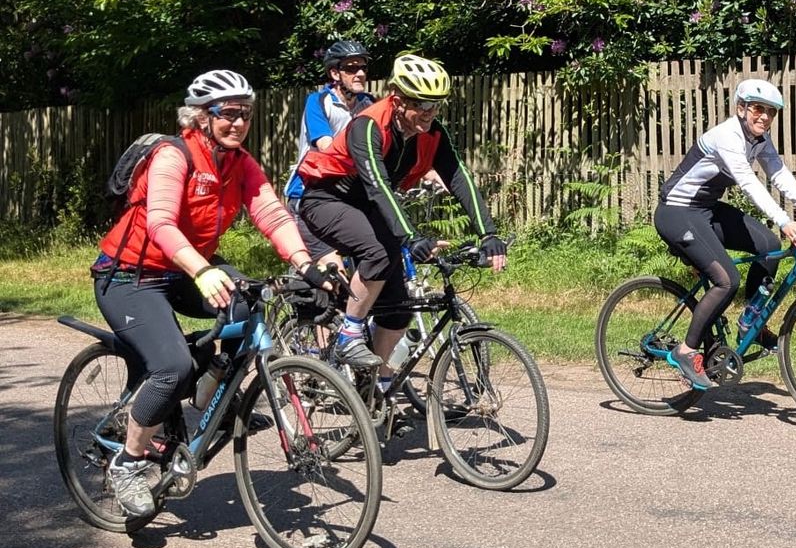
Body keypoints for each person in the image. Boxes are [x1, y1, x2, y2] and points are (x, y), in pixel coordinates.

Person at [91, 70, 327, 518]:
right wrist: (201, 270)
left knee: (250, 302)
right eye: (228, 114)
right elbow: (161, 223)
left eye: (245, 114)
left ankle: (214, 391)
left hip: (183, 269)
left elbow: (273, 216)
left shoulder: (240, 162)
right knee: (172, 366)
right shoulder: (173, 155)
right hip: (129, 275)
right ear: (201, 117)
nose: (238, 123)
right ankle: (129, 460)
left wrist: (307, 264)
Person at [295, 54, 506, 394]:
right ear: (397, 96)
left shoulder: (432, 132)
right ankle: (348, 333)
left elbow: (459, 178)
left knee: (398, 311)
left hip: (368, 205)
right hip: (327, 199)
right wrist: (410, 237)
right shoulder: (367, 125)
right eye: (421, 103)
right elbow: (377, 185)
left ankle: (368, 384)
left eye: (436, 105)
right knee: (378, 250)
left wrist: (489, 233)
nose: (429, 112)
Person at [655, 78, 796, 390]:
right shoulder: (727, 136)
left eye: (771, 112)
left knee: (768, 245)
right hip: (677, 212)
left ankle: (750, 322)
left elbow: (778, 172)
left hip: (707, 209)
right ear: (741, 108)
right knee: (727, 280)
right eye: (758, 109)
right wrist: (785, 221)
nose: (764, 117)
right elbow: (749, 183)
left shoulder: (759, 140)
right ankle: (686, 351)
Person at [284, 39, 376, 269]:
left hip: (345, 197)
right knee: (335, 272)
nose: (360, 73)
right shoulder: (319, 102)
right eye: (352, 68)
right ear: (335, 73)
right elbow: (327, 146)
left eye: (363, 67)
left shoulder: (369, 104)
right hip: (306, 195)